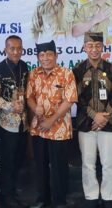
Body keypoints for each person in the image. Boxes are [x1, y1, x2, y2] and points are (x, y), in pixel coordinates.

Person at [72, 33, 112, 208]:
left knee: (108, 163)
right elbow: (76, 97)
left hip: (108, 123)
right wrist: (94, 115)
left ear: (103, 47)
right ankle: (91, 196)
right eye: (90, 46)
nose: (94, 49)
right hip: (85, 123)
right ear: (84, 48)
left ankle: (108, 196)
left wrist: (104, 116)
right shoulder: (77, 71)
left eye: (97, 46)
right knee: (88, 163)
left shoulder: (111, 69)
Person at [26, 40, 77, 208]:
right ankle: (43, 199)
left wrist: (51, 120)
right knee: (40, 166)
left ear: (56, 55)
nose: (45, 58)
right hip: (39, 128)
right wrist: (35, 108)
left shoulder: (66, 73)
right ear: (38, 57)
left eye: (49, 54)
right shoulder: (33, 74)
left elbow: (69, 101)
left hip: (59, 129)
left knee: (59, 167)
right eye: (42, 55)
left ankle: (59, 201)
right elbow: (29, 97)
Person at [0, 35, 29, 208]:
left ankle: (13, 192)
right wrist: (9, 106)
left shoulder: (24, 67)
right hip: (7, 123)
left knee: (19, 159)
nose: (15, 52)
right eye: (12, 48)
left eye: (19, 48)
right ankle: (5, 195)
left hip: (23, 123)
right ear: (5, 49)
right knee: (7, 161)